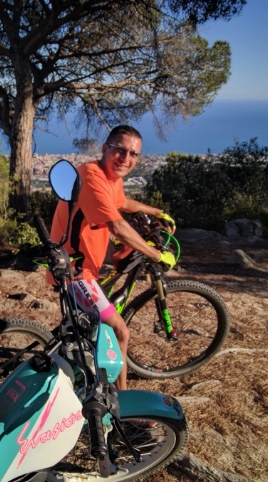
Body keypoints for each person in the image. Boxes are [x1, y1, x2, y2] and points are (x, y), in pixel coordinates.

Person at [48, 125, 176, 391]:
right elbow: (117, 226)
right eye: (120, 150)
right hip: (74, 272)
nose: (126, 159)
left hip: (82, 268)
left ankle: (75, 366)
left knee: (85, 328)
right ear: (106, 149)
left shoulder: (110, 178)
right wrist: (156, 254)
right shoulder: (91, 177)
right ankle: (123, 403)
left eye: (133, 154)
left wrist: (156, 211)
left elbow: (121, 202)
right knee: (120, 331)